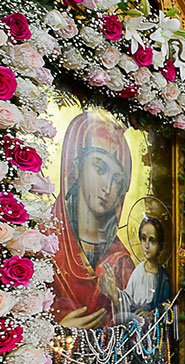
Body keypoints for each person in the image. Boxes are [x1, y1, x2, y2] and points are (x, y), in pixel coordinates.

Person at [52, 111, 136, 328]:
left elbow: (138, 327)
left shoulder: (121, 262)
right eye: (99, 168)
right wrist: (58, 333)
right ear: (76, 166)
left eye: (117, 179)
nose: (108, 187)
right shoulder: (45, 243)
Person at [107, 216, 172, 323]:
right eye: (143, 238)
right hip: (135, 326)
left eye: (152, 240)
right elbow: (128, 300)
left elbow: (165, 311)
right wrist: (115, 293)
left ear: (160, 245)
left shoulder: (163, 279)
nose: (146, 245)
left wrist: (150, 315)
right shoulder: (139, 271)